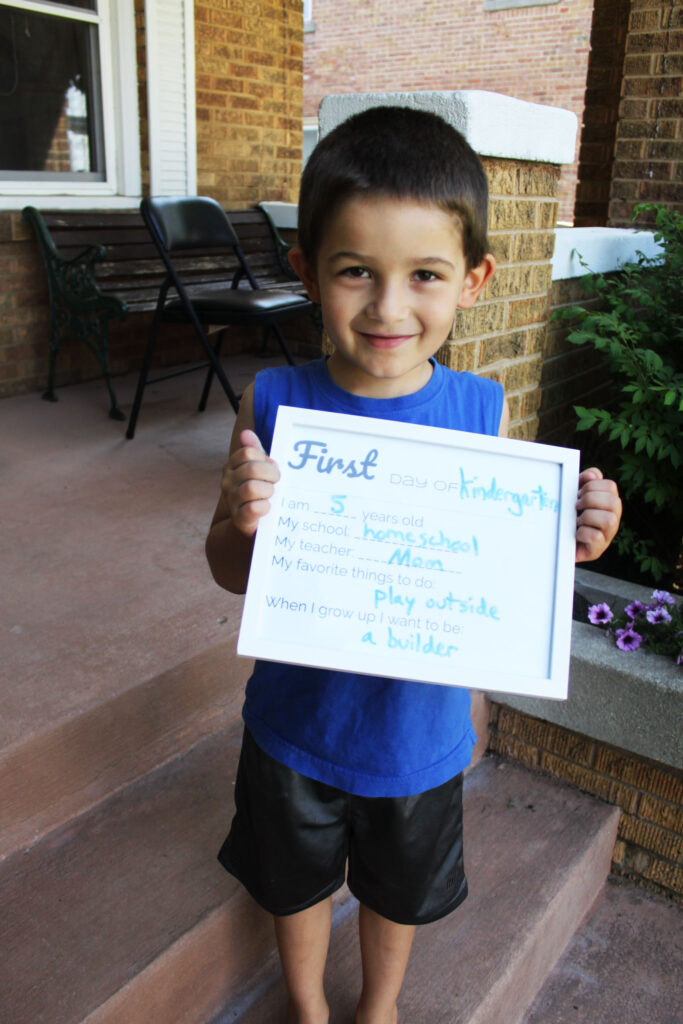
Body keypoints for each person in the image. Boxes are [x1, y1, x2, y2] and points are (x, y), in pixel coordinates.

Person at [205, 106, 622, 1024]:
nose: (388, 307)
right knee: (294, 882)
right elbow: (230, 571)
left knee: (397, 892)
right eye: (356, 271)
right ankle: (309, 1005)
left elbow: (500, 564)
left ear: (472, 280)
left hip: (416, 734)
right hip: (293, 724)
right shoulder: (270, 402)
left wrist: (576, 541)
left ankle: (379, 1008)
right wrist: (241, 520)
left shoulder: (481, 410)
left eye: (423, 275)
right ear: (307, 272)